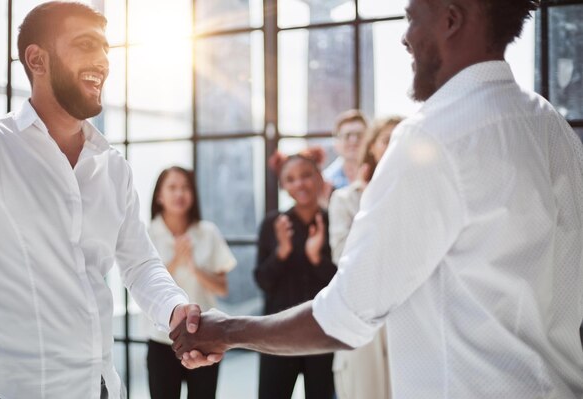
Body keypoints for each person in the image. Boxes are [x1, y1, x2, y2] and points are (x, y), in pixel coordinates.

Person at [170, 1, 583, 398]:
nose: (405, 38)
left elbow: (344, 316)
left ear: (451, 20)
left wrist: (225, 331)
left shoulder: (433, 136)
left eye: (411, 18)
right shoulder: (552, 127)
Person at [0, 3, 200, 398]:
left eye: (106, 49)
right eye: (86, 45)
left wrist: (176, 310)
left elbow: (140, 265)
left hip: (101, 387)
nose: (102, 61)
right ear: (37, 59)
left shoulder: (113, 166)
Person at [328, 116, 403, 399]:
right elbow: (343, 256)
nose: (396, 144)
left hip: (408, 320)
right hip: (361, 320)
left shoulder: (420, 195)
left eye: (402, 137)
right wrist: (370, 200)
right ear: (372, 148)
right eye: (387, 139)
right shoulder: (347, 199)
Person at [146, 166, 236, 399]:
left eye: (185, 187)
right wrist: (177, 260)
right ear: (159, 195)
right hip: (161, 339)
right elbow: (144, 284)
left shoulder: (208, 232)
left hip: (204, 336)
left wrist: (194, 267)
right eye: (172, 187)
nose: (179, 193)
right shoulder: (147, 233)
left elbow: (223, 288)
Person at [254, 148, 337, 399]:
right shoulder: (272, 224)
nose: (300, 183)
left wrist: (316, 258)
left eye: (306, 175)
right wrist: (282, 252)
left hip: (323, 333)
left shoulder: (335, 220)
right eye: (291, 179)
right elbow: (262, 281)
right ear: (283, 185)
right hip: (278, 334)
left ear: (319, 177)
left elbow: (344, 282)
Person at [322, 109, 368, 190]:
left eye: (359, 135)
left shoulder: (379, 174)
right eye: (347, 135)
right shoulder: (326, 180)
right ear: (336, 144)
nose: (353, 141)